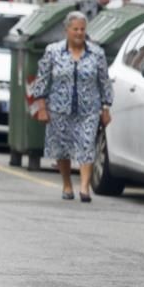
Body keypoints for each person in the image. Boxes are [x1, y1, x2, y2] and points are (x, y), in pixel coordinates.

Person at [32, 12, 112, 202]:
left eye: (82, 29)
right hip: (59, 108)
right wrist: (42, 107)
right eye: (75, 29)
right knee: (62, 149)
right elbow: (42, 81)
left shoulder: (97, 53)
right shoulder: (53, 52)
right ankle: (67, 183)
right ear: (66, 30)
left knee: (86, 144)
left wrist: (106, 107)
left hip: (89, 109)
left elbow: (104, 82)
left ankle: (84, 187)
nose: (79, 33)